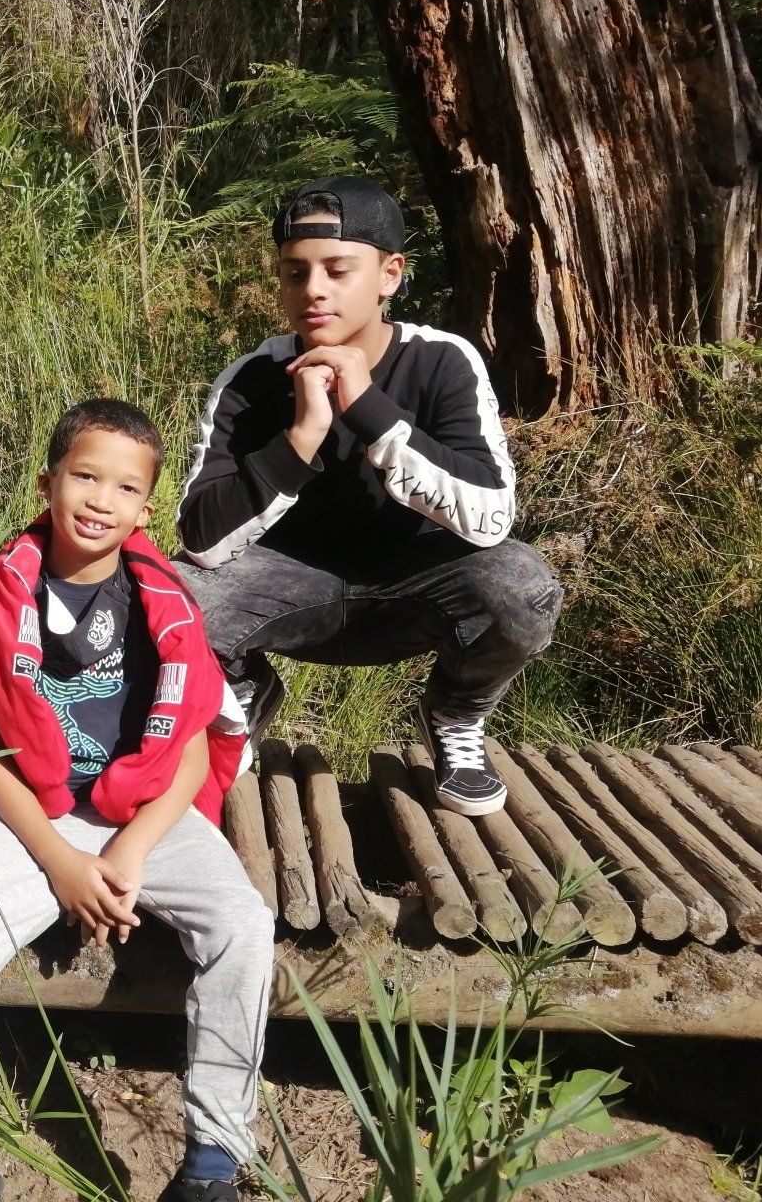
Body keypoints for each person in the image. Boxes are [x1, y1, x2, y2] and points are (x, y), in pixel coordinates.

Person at [0, 400, 274, 1202]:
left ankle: (215, 1155)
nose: (100, 499)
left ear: (147, 507)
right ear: (48, 482)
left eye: (124, 486)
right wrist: (62, 863)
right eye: (84, 476)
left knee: (243, 924)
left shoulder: (164, 606)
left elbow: (189, 744)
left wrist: (129, 850)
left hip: (146, 816)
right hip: (32, 816)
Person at [175, 175, 563, 817]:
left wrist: (373, 415)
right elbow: (202, 541)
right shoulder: (252, 378)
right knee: (170, 593)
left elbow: (491, 517)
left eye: (337, 270)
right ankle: (240, 695)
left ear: (389, 274)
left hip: (419, 586)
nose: (313, 290)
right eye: (295, 273)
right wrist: (301, 436)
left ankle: (456, 713)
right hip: (289, 590)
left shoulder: (444, 362)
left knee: (523, 585)